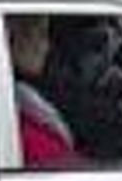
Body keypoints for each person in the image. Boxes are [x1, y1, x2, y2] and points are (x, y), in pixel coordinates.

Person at [7, 15, 82, 168]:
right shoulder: (21, 122)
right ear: (13, 38)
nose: (46, 46)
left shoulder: (22, 104)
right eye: (41, 34)